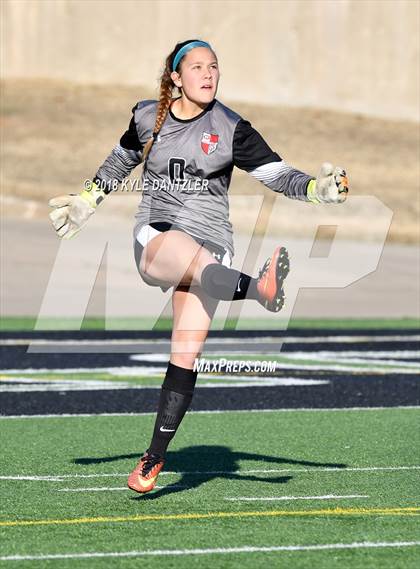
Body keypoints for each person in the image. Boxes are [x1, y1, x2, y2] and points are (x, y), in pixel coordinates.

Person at [48, 39, 349, 494]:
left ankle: (152, 460)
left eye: (214, 67)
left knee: (185, 354)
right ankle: (258, 288)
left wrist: (316, 190)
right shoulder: (150, 117)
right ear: (175, 77)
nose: (208, 75)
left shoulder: (231, 127)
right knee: (191, 255)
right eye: (197, 67)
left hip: (214, 248)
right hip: (158, 236)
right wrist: (88, 199)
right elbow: (120, 160)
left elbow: (276, 174)